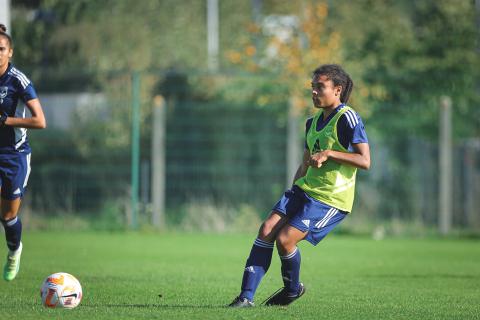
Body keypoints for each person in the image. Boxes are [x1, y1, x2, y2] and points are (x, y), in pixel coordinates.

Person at [228, 64, 370, 307]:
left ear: (338, 90)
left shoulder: (347, 117)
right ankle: (245, 298)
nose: (314, 92)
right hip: (303, 191)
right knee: (266, 230)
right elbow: (305, 163)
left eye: (320, 87)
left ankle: (292, 290)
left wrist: (329, 153)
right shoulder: (312, 122)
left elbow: (364, 161)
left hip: (329, 199)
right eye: (312, 87)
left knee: (285, 240)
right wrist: (293, 190)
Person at [0, 24, 46, 281]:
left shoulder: (18, 80)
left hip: (15, 156)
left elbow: (40, 121)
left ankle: (14, 250)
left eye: (1, 49)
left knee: (8, 216)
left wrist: (6, 121)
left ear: (10, 52)